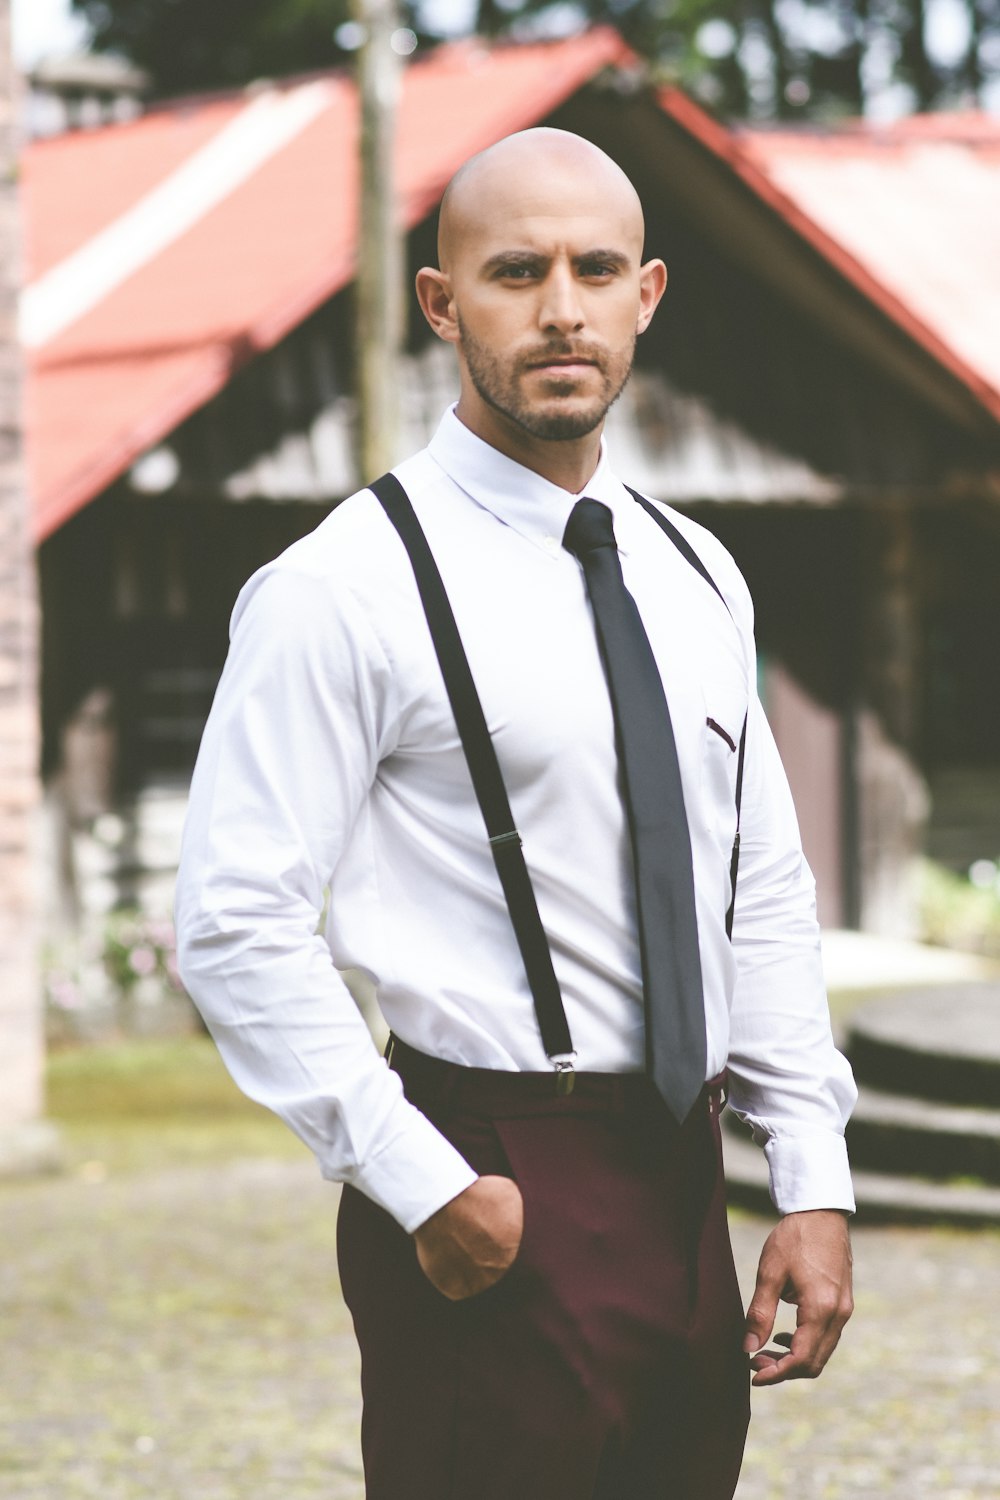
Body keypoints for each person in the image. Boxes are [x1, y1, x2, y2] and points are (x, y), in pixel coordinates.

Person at [175, 127, 856, 1500]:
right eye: (516, 271)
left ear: (646, 295)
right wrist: (420, 1182)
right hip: (486, 1166)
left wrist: (811, 1172)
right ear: (443, 305)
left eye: (596, 270)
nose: (561, 309)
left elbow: (758, 887)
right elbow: (234, 924)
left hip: (682, 1176)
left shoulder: (697, 571)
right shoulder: (343, 588)